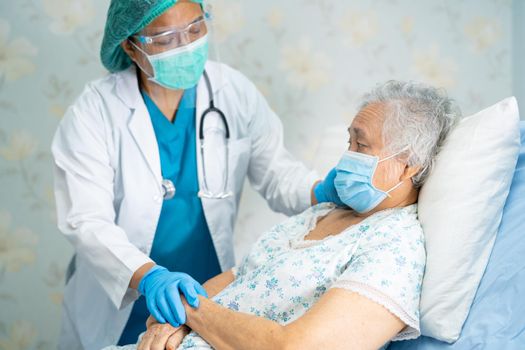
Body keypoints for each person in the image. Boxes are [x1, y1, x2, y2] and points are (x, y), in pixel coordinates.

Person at [50, 1, 341, 349]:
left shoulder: (232, 91)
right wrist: (150, 277)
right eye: (165, 38)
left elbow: (276, 172)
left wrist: (321, 190)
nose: (185, 46)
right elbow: (86, 220)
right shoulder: (94, 113)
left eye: (195, 29)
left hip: (204, 290)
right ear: (130, 44)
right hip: (125, 294)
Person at [102, 80, 460, 350]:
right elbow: (236, 276)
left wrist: (188, 312)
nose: (346, 157)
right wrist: (168, 325)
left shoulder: (395, 247)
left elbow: (294, 348)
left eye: (361, 146)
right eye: (348, 143)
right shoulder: (323, 213)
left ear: (408, 165)